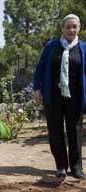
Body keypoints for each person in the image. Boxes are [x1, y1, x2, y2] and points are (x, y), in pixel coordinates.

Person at [34, 14, 86, 179]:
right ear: (62, 28)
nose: (71, 29)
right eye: (68, 26)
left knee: (75, 131)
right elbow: (40, 68)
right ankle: (61, 166)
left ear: (79, 28)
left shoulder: (84, 48)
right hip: (53, 95)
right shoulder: (51, 46)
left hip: (75, 97)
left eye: (74, 27)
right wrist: (37, 88)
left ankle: (77, 167)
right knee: (55, 131)